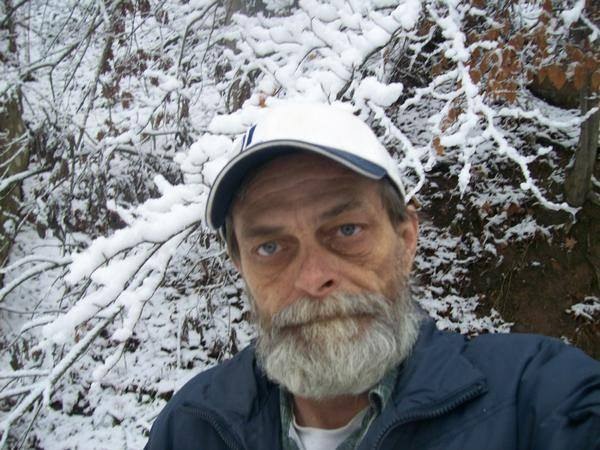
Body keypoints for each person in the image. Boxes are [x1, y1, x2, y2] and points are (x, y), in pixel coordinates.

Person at [145, 103, 600, 450]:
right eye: (270, 247)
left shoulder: (533, 399)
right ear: (241, 267)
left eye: (347, 230)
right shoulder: (192, 428)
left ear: (406, 239)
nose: (313, 278)